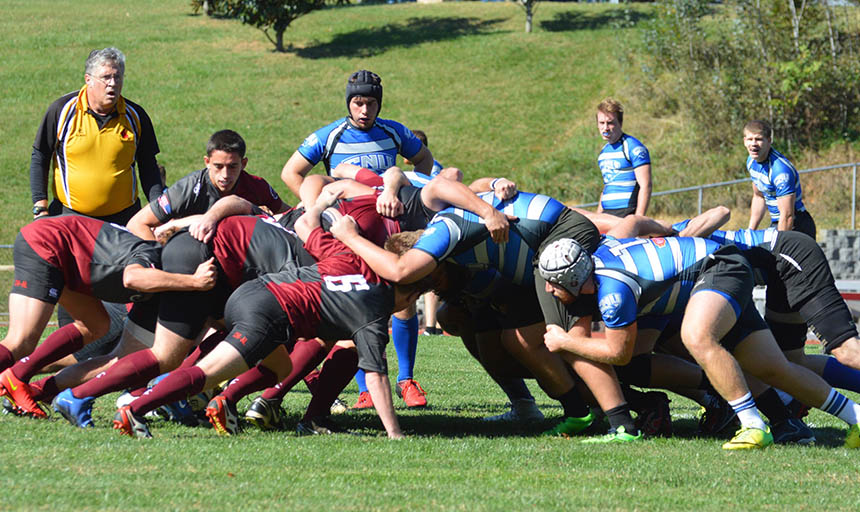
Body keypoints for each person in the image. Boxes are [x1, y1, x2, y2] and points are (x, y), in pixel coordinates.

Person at [113, 191, 432, 439]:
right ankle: (136, 408)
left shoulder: (347, 252)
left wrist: (330, 215)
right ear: (412, 290)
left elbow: (306, 224)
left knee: (279, 367)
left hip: (253, 292)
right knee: (207, 372)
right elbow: (375, 375)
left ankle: (222, 402)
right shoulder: (374, 309)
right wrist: (395, 433)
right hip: (266, 309)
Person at [539, 232, 860, 449]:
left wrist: (565, 342)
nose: (550, 291)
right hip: (720, 267)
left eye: (553, 284)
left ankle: (752, 424)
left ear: (572, 280)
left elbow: (620, 354)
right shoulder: (597, 268)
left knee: (696, 335)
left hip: (718, 267)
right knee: (775, 368)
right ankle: (856, 418)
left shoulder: (613, 291)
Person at [0, 215, 216, 418]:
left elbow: (127, 357)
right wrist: (195, 282)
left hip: (67, 258)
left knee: (95, 326)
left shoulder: (163, 280)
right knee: (21, 340)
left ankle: (25, 383)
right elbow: (133, 278)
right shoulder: (151, 253)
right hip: (47, 241)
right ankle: (15, 378)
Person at [29, 47, 162, 225]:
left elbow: (149, 167)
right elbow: (40, 156)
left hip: (123, 220)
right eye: (106, 77)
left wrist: (159, 211)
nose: (113, 83)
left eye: (117, 77)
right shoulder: (62, 111)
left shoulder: (136, 116)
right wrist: (40, 208)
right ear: (88, 80)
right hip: (70, 218)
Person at [280, 70, 433, 197]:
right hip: (349, 217)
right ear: (349, 104)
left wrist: (415, 196)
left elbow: (424, 158)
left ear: (379, 104)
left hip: (387, 210)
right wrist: (314, 206)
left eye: (371, 104)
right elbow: (290, 173)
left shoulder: (395, 131)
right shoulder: (328, 136)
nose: (365, 111)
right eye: (358, 104)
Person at [127, 129, 289, 241]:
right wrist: (160, 263)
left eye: (232, 167)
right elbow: (137, 223)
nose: (225, 175)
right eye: (218, 166)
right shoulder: (188, 188)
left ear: (244, 163)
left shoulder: (257, 186)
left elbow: (287, 216)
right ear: (207, 162)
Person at [744, 120, 816, 238]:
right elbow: (759, 196)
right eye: (750, 139)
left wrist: (780, 247)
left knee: (776, 254)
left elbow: (787, 216)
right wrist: (750, 232)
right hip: (777, 222)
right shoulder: (751, 161)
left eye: (759, 139)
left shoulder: (781, 171)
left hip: (796, 224)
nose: (754, 144)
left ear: (769, 140)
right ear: (744, 141)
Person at [595, 98, 651, 217]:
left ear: (620, 123)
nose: (605, 128)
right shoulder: (603, 152)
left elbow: (646, 185)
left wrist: (638, 219)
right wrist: (598, 215)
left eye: (610, 123)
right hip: (607, 213)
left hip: (627, 212)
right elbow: (607, 185)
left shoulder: (633, 147)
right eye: (601, 123)